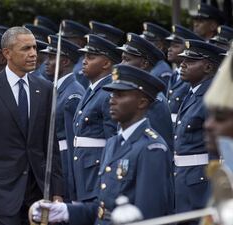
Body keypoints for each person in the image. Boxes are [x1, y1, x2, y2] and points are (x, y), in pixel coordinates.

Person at [30, 64, 173, 225]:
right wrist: (65, 211)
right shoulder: (113, 144)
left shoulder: (151, 148)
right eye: (112, 94)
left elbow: (149, 215)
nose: (112, 100)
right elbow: (101, 209)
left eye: (120, 95)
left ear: (142, 102)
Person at [0, 26, 63, 225]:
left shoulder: (45, 90)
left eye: (35, 48)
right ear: (7, 53)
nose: (33, 54)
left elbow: (51, 148)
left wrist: (57, 192)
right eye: (26, 48)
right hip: (0, 196)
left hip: (38, 194)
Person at [174, 39, 225, 225]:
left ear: (208, 67)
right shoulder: (193, 93)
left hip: (201, 181)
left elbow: (218, 148)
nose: (183, 64)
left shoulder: (210, 97)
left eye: (191, 61)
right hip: (185, 177)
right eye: (184, 60)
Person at [72, 34, 119, 202]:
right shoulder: (92, 90)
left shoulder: (107, 93)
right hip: (84, 170)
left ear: (106, 63)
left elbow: (112, 139)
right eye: (84, 57)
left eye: (90, 57)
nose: (84, 61)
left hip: (96, 172)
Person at [40, 35, 84, 201]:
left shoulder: (73, 93)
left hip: (64, 162)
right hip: (54, 159)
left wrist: (72, 180)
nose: (45, 62)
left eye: (51, 57)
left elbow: (73, 141)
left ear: (64, 62)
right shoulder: (57, 87)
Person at [118, 33, 173, 149]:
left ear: (144, 64)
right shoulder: (137, 94)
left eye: (126, 59)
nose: (121, 65)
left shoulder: (153, 100)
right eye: (121, 59)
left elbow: (156, 146)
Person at [165, 25, 203, 126]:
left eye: (175, 46)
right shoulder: (175, 74)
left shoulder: (191, 78)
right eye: (170, 45)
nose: (170, 49)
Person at [141, 22, 173, 87]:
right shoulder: (149, 66)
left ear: (159, 46)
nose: (143, 45)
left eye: (147, 42)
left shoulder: (163, 72)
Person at [60, 19, 91, 88]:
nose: (63, 42)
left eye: (67, 40)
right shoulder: (71, 61)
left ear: (80, 42)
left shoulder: (81, 68)